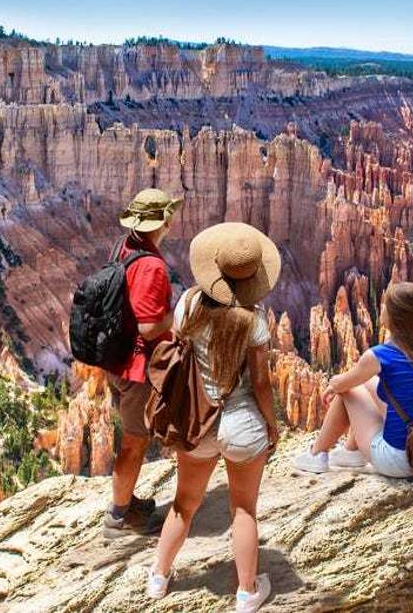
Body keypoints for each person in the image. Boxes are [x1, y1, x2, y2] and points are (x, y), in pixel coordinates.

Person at [146, 222, 281, 613]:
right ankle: (246, 593)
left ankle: (159, 576)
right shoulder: (252, 322)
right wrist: (272, 426)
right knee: (243, 510)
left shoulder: (187, 304)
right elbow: (261, 385)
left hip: (198, 422)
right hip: (242, 427)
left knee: (183, 503)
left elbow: (181, 349)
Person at [293, 282, 413, 478]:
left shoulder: (380, 355)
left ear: (395, 315)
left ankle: (317, 454)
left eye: (386, 304)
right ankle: (351, 452)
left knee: (348, 392)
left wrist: (334, 385)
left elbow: (342, 384)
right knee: (366, 384)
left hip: (397, 460)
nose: (381, 307)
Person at [103, 188, 183, 538]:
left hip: (114, 356)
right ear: (164, 221)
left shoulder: (124, 248)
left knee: (133, 437)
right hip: (135, 368)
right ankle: (118, 517)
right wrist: (175, 315)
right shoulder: (152, 266)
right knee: (135, 442)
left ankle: (127, 500)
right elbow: (150, 327)